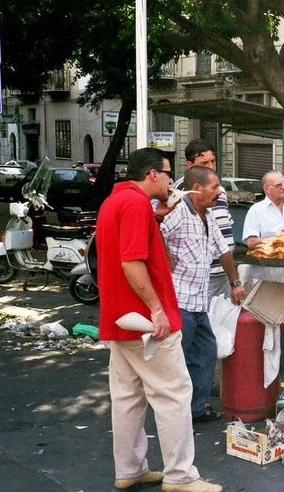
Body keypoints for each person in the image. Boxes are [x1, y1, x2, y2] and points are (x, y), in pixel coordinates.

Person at [97, 148, 222, 492]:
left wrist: (158, 217)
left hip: (119, 317)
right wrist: (156, 309)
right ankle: (181, 476)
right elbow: (132, 262)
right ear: (153, 174)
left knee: (127, 397)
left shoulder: (115, 201)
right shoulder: (136, 204)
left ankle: (130, 469)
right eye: (168, 174)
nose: (172, 181)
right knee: (174, 393)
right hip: (144, 322)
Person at [160, 166, 246, 423]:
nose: (219, 192)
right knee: (177, 360)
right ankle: (174, 414)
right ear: (197, 189)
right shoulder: (178, 212)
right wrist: (166, 257)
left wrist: (235, 283)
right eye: (214, 187)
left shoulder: (207, 215)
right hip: (179, 300)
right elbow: (154, 234)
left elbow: (224, 251)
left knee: (206, 352)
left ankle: (196, 408)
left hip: (198, 301)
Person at [243, 170, 284, 374]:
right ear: (266, 188)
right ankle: (262, 363)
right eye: (278, 184)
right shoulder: (257, 210)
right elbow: (250, 241)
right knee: (267, 317)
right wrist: (277, 240)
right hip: (268, 272)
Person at [169, 141, 236, 300]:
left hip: (224, 270)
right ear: (190, 165)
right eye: (204, 163)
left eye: (213, 161)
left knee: (222, 320)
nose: (211, 166)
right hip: (199, 275)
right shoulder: (179, 192)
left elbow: (222, 224)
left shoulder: (219, 190)